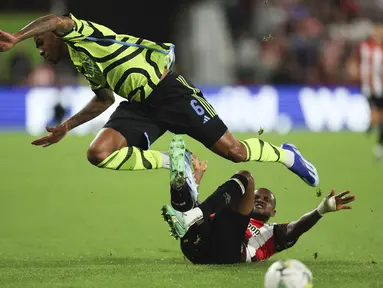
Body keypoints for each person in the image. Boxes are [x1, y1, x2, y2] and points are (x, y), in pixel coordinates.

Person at [0, 14, 318, 195]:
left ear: (54, 36)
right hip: (140, 106)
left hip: (169, 92)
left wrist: (18, 36)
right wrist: (66, 127)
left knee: (234, 152)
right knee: (98, 153)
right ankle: (176, 163)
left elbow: (55, 20)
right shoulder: (84, 63)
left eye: (41, 42)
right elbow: (104, 99)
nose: (40, 50)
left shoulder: (83, 35)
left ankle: (286, 154)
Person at [162, 136, 355, 264]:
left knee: (246, 177)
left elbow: (297, 227)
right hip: (195, 247)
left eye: (266, 200)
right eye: (256, 197)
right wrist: (198, 175)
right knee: (194, 210)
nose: (260, 200)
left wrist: (323, 208)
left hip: (229, 252)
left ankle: (185, 197)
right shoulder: (227, 212)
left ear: (273, 212)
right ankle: (181, 184)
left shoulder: (272, 233)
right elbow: (204, 214)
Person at [347, 21, 383, 159]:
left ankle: (377, 143)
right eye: (378, 31)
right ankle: (372, 135)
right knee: (376, 116)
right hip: (369, 88)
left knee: (379, 117)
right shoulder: (364, 47)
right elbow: (353, 60)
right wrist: (352, 68)